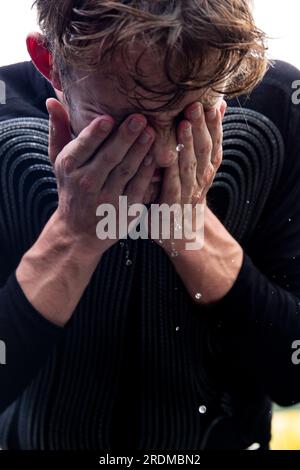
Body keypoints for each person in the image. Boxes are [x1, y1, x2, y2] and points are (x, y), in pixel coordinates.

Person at [0, 0, 300, 451]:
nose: (162, 156)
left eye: (188, 117)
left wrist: (190, 229)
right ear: (51, 67)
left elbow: (291, 378)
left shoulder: (279, 109)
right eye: (125, 126)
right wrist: (72, 236)